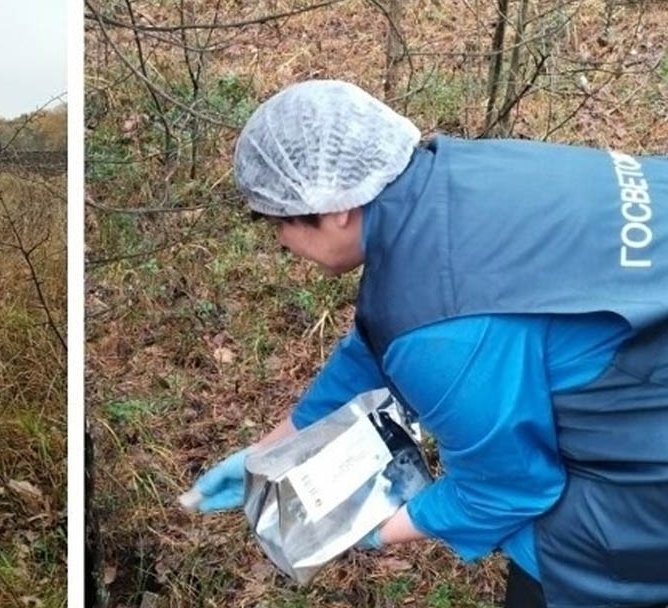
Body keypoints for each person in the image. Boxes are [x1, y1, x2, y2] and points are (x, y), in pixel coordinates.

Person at [186, 79, 668, 608]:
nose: (280, 240)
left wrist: (375, 527)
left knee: (565, 552)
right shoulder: (455, 173)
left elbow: (511, 488)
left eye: (279, 221)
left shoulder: (440, 328)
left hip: (646, 471)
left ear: (337, 207)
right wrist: (272, 451)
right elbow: (379, 343)